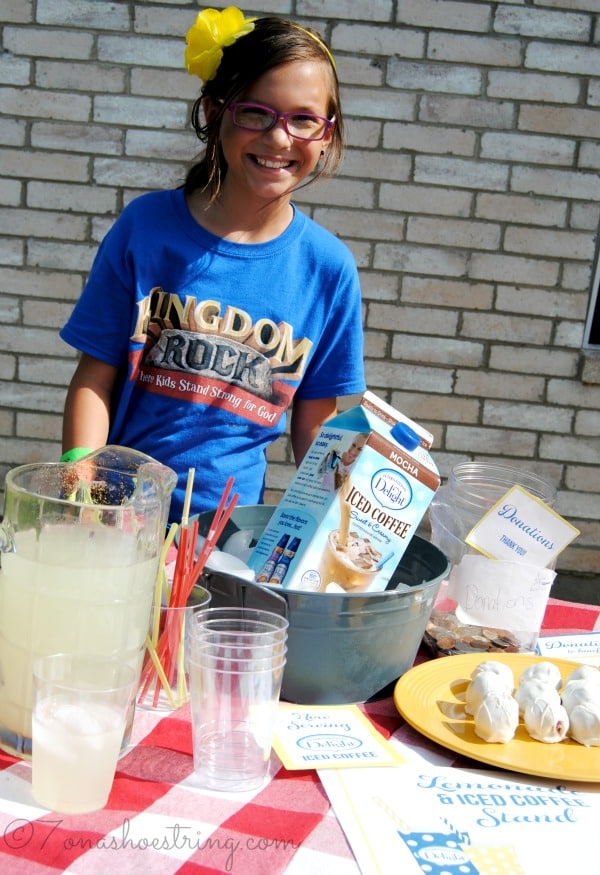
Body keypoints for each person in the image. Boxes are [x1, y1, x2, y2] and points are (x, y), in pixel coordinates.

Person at [60, 7, 366, 523]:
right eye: (256, 112)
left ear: (327, 134)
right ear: (213, 111)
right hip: (117, 518)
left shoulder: (328, 270)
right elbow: (95, 377)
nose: (278, 137)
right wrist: (79, 478)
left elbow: (315, 423)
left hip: (225, 536)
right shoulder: (146, 229)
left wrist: (346, 511)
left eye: (304, 119)